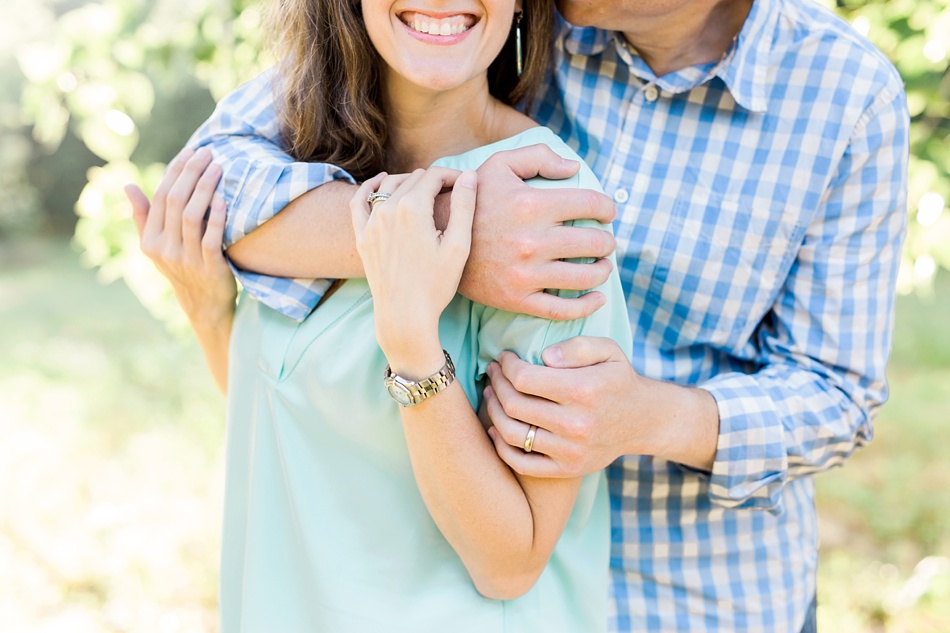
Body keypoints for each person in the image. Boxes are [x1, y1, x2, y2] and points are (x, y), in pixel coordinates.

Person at [134, 0, 909, 631]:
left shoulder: (844, 93)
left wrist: (650, 416)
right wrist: (449, 236)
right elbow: (218, 180)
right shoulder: (478, 40)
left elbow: (835, 389)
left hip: (691, 595)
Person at [131, 0, 633, 631]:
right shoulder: (295, 172)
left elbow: (510, 561)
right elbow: (294, 426)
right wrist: (208, 313)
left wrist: (412, 345)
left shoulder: (539, 214)